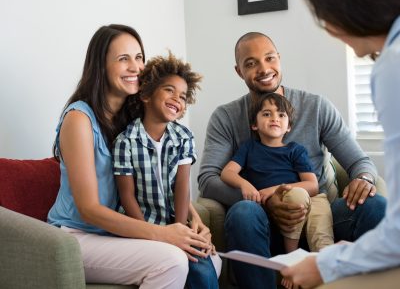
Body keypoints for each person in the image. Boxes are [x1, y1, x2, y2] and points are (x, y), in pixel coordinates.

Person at [198, 30, 387, 288]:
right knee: (243, 212)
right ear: (239, 71)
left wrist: (363, 179)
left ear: (279, 59)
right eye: (251, 63)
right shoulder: (226, 117)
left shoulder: (317, 107)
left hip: (318, 216)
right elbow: (208, 179)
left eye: (269, 58)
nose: (264, 69)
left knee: (375, 206)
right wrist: (265, 200)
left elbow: (359, 163)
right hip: (259, 224)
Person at [47, 24, 214, 288]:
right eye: (123, 59)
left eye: (139, 57)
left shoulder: (133, 119)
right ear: (101, 66)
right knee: (172, 260)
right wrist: (163, 234)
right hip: (75, 236)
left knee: (208, 260)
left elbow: (161, 181)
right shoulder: (79, 119)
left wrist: (192, 221)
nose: (135, 67)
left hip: (114, 233)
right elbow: (88, 209)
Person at [280, 0, 400, 288]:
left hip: (322, 204)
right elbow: (212, 178)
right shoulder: (229, 118)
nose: (327, 29)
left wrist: (327, 264)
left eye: (323, 17)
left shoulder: (392, 66)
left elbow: (396, 233)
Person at [112, 51, 220, 288]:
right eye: (169, 90)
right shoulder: (125, 141)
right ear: (146, 94)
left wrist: (181, 232)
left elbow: (182, 188)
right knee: (191, 264)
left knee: (200, 261)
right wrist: (149, 234)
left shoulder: (183, 137)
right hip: (139, 224)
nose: (176, 99)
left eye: (182, 96)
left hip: (174, 222)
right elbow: (126, 196)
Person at [221, 92, 333, 255]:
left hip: (311, 199)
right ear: (255, 124)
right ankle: (292, 257)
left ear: (288, 127)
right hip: (278, 204)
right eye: (267, 114)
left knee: (321, 234)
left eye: (281, 115)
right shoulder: (249, 147)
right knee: (295, 197)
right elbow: (227, 172)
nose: (275, 118)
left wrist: (272, 189)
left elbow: (312, 185)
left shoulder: (295, 150)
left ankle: (325, 265)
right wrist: (244, 184)